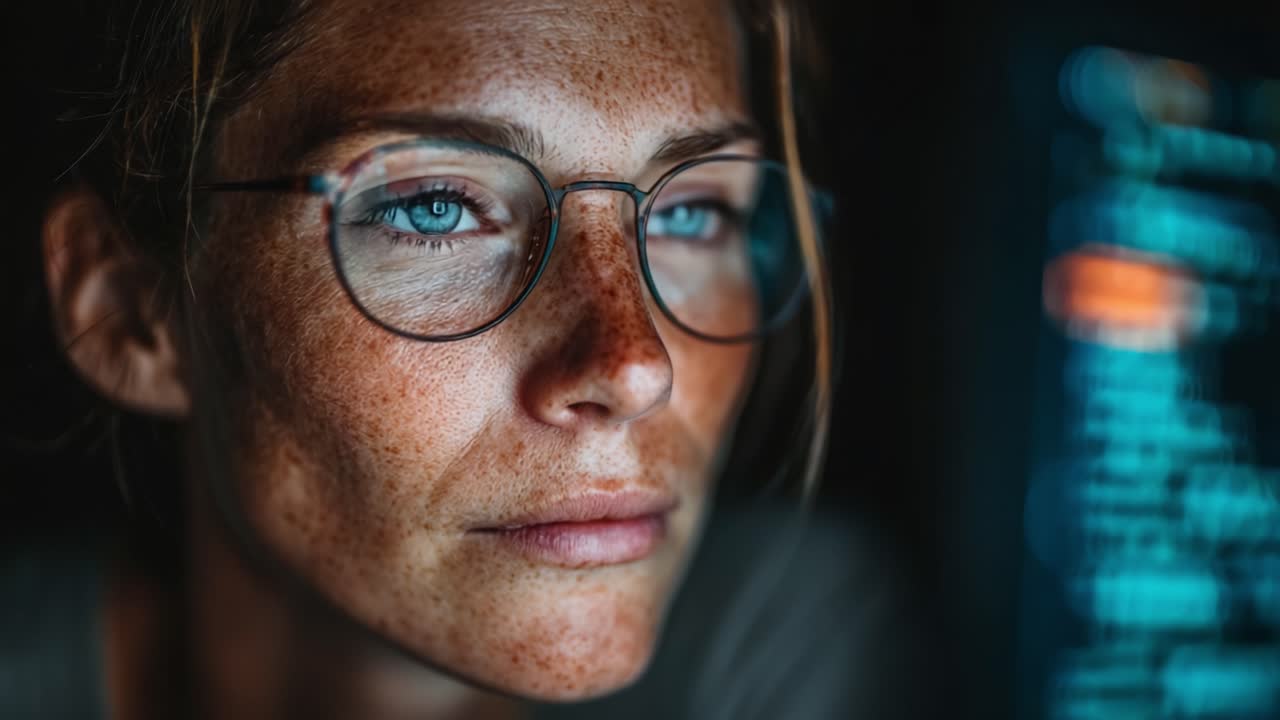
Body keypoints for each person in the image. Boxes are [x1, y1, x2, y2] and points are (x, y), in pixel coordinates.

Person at [6, 0, 927, 717]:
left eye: (690, 213)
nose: (635, 366)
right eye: (435, 207)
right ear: (133, 315)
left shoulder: (785, 646)